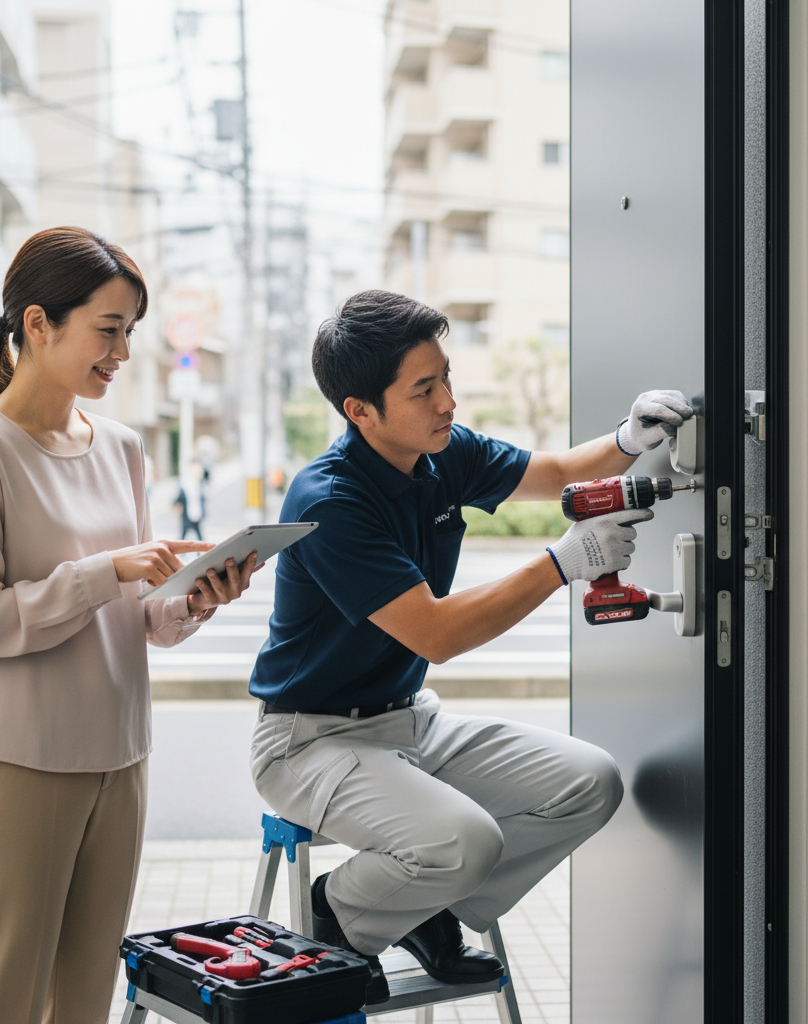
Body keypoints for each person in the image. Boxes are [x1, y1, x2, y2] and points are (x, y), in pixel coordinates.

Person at [248, 290, 692, 1003]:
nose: (448, 401)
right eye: (424, 389)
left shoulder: (442, 454)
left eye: (445, 377)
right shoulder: (329, 501)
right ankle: (341, 910)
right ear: (360, 410)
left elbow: (553, 474)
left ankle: (432, 914)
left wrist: (630, 439)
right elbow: (438, 633)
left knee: (591, 780)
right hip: (309, 743)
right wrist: (560, 565)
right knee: (465, 840)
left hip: (407, 719)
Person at [0, 227, 261, 1024]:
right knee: (1, 1000)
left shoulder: (122, 448)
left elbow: (137, 616)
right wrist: (102, 570)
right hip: (16, 764)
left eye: (130, 333)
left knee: (83, 1003)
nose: (122, 351)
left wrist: (193, 598)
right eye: (108, 330)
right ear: (39, 325)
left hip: (121, 756)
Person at [175, 458, 208, 539]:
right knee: (183, 536)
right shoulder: (186, 483)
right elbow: (179, 497)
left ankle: (204, 550)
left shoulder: (200, 483)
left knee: (199, 536)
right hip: (187, 514)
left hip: (197, 514)